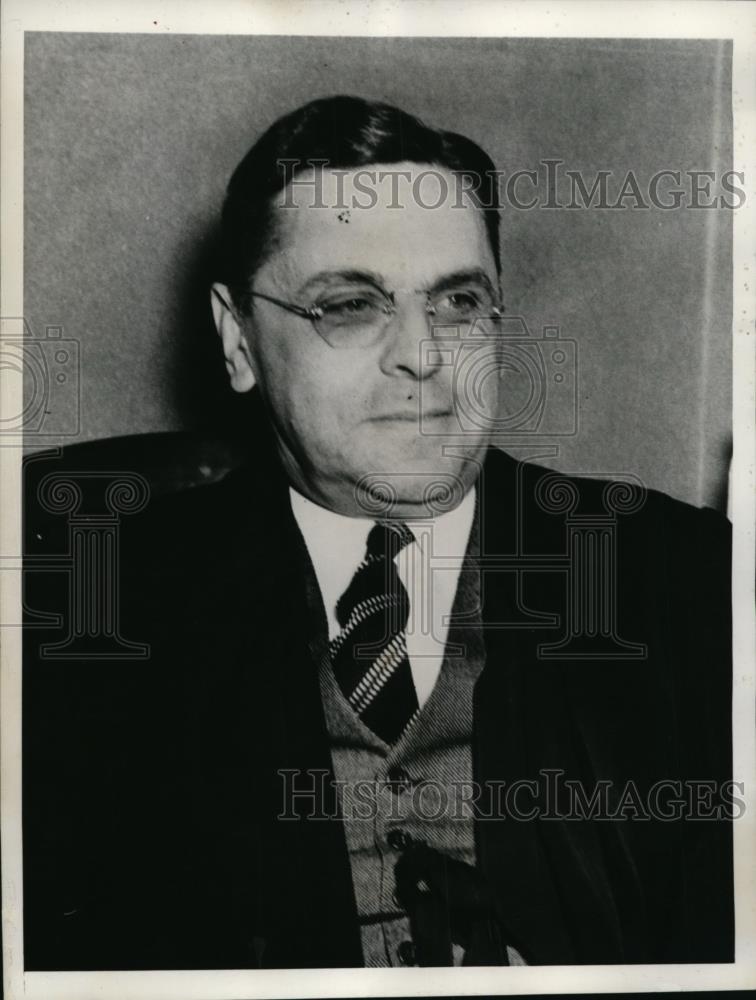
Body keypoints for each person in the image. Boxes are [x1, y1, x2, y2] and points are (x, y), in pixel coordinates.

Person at [23, 96, 733, 970]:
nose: (424, 354)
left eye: (459, 301)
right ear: (237, 339)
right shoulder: (95, 607)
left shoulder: (689, 581)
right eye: (351, 305)